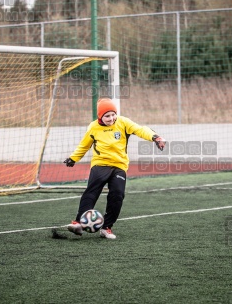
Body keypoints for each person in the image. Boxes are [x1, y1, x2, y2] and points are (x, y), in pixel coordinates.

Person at [63, 98, 166, 239]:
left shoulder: (123, 122)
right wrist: (73, 158)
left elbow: (140, 130)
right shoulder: (93, 127)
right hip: (100, 164)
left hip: (119, 165)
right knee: (92, 191)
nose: (111, 118)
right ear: (100, 116)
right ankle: (78, 223)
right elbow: (84, 145)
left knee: (117, 195)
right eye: (107, 116)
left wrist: (155, 137)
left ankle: (106, 228)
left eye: (113, 114)